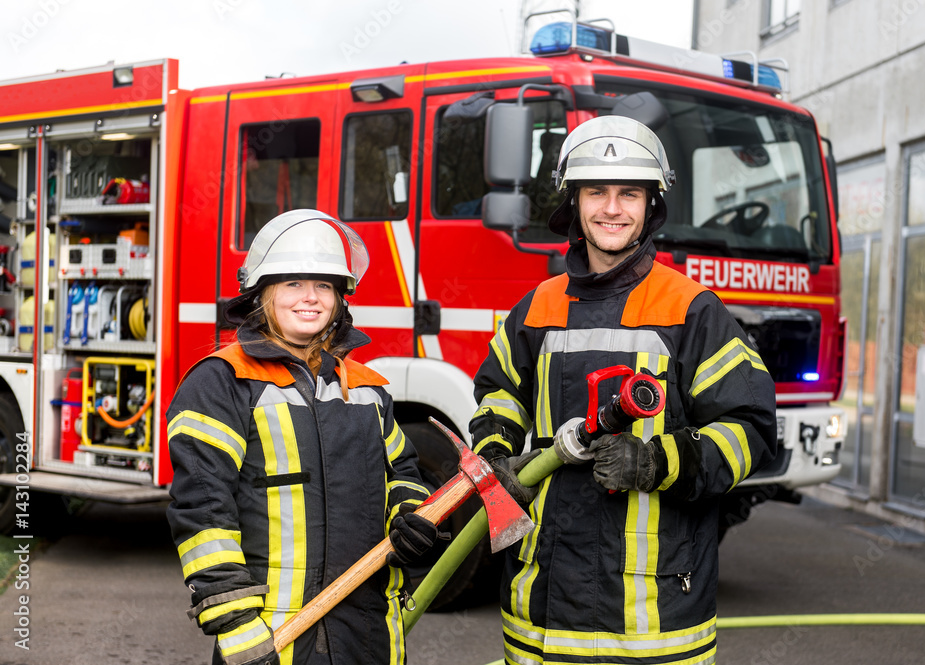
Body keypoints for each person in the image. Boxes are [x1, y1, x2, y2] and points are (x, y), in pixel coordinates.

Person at [469, 116, 777, 664]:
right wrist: (497, 459)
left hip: (654, 620)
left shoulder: (691, 310)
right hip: (541, 611)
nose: (612, 208)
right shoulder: (538, 307)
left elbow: (749, 429)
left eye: (629, 193)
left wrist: (661, 462)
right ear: (574, 201)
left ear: (651, 205)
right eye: (597, 192)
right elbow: (499, 396)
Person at [166, 209, 443, 665]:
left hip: (368, 637)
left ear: (340, 298)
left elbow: (403, 473)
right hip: (273, 638)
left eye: (325, 285)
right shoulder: (222, 382)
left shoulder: (367, 388)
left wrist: (410, 514)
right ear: (263, 293)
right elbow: (203, 512)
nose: (310, 298)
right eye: (293, 283)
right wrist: (236, 623)